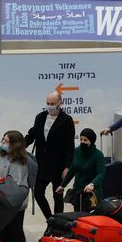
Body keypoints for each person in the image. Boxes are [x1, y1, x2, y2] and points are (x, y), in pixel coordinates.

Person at [0, 130, 37, 242]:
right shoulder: (1, 154)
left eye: (6, 142)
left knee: (15, 231)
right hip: (2, 200)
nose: (3, 144)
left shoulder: (20, 163)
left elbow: (15, 186)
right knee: (5, 230)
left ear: (15, 145)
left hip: (15, 204)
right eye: (2, 140)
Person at [25, 91, 75, 220]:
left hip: (58, 166)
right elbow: (31, 135)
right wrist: (18, 146)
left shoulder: (67, 120)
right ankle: (50, 220)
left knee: (57, 196)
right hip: (42, 165)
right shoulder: (40, 117)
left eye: (53, 103)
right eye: (48, 103)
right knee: (38, 193)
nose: (50, 106)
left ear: (60, 103)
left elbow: (70, 146)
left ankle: (58, 223)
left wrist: (67, 167)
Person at [58, 128, 106, 213]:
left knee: (89, 217)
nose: (82, 142)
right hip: (78, 190)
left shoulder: (98, 155)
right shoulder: (76, 151)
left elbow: (101, 173)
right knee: (78, 216)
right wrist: (62, 185)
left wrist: (92, 184)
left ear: (91, 141)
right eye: (81, 139)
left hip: (91, 192)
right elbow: (72, 170)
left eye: (85, 140)